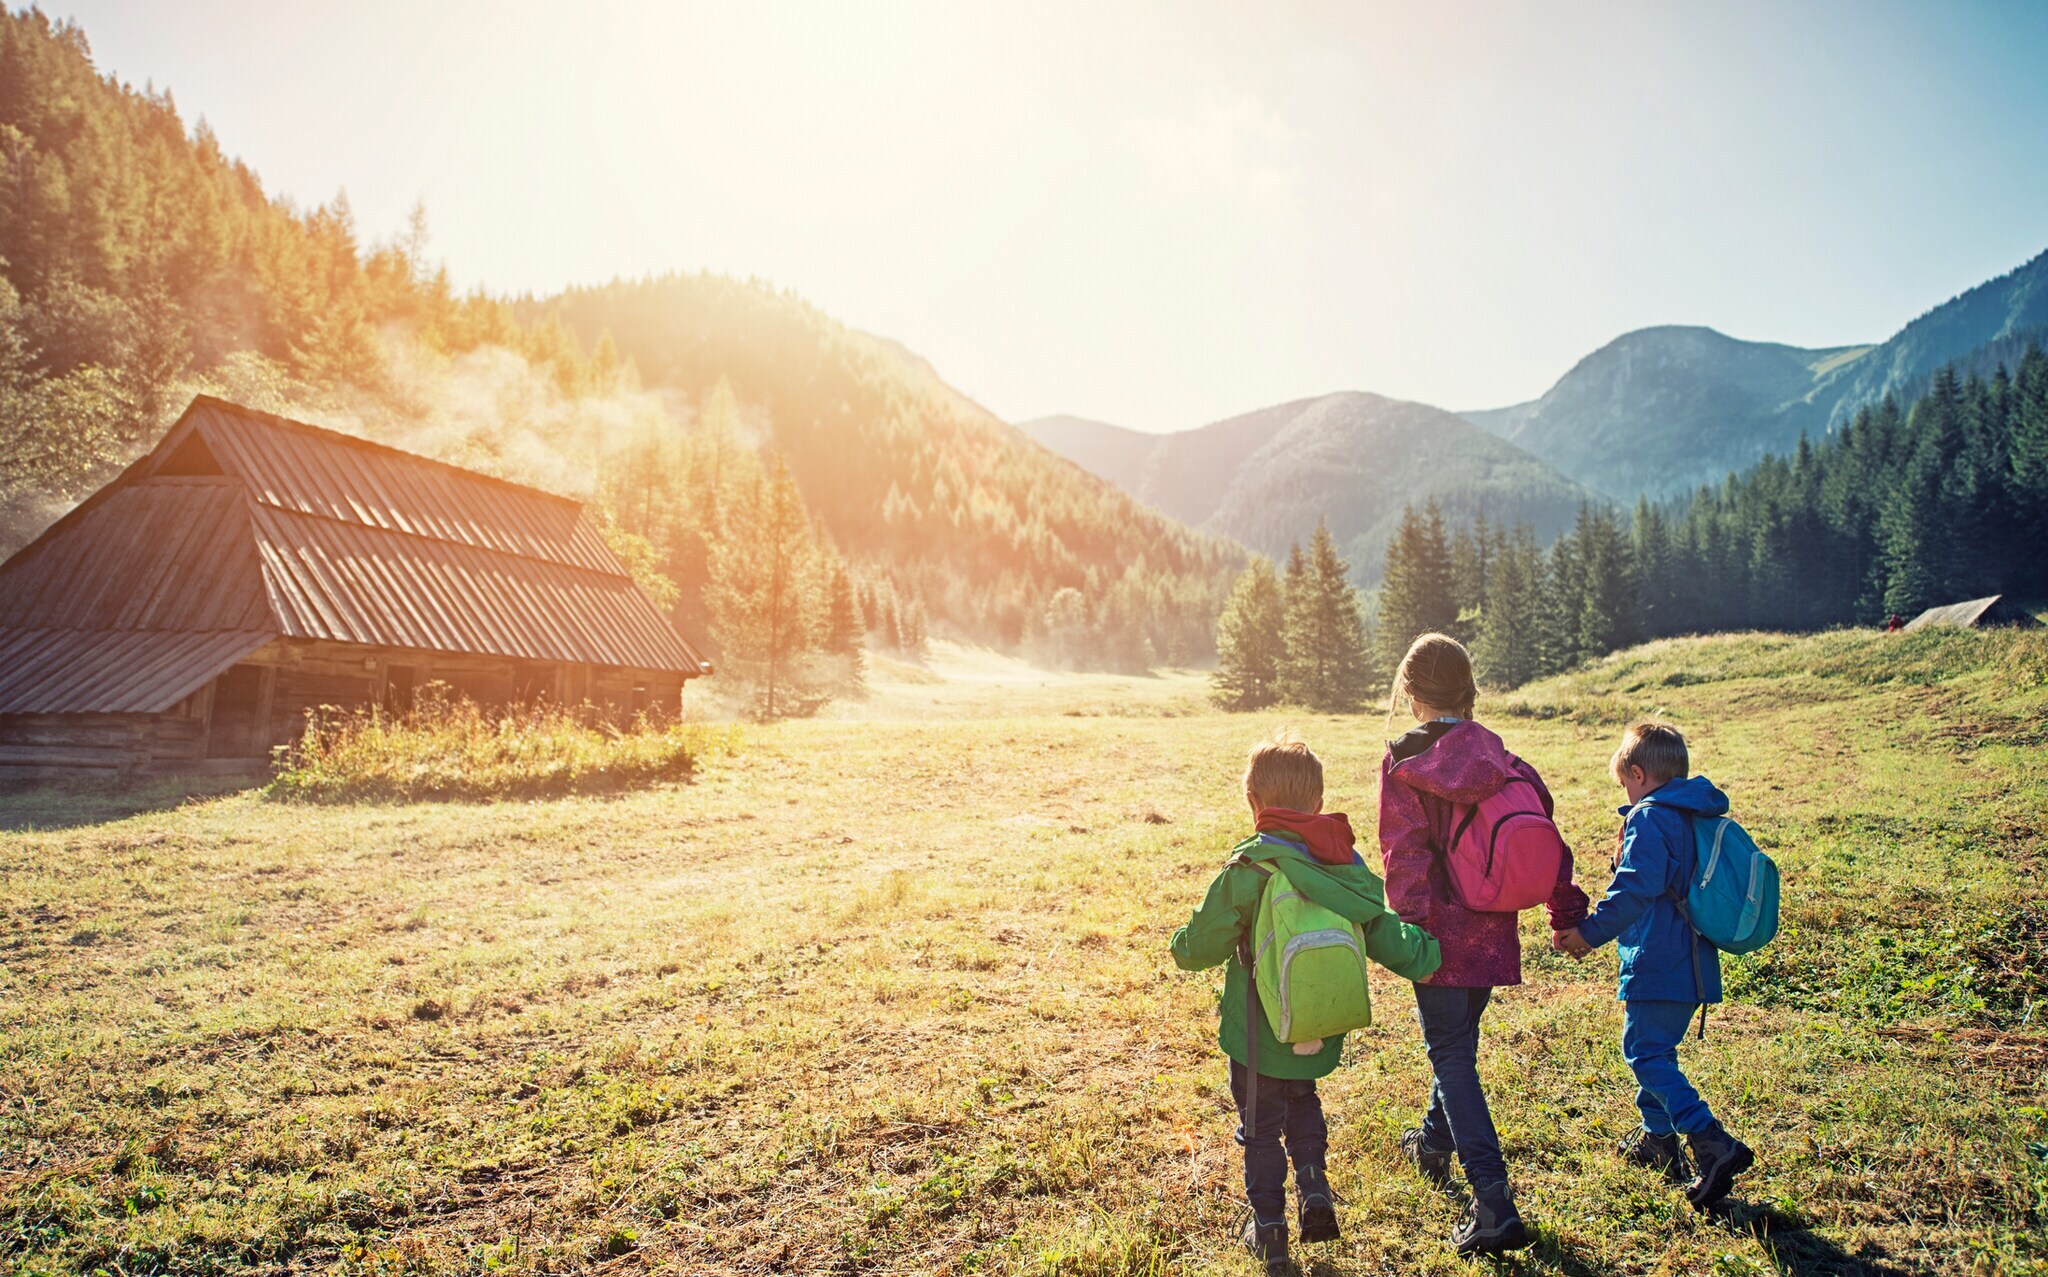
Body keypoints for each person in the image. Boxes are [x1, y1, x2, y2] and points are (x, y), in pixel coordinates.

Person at [1171, 730, 1441, 1273]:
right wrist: (1430, 955)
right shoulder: (1345, 864)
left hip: (1258, 1033)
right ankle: (1314, 1188)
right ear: (1317, 803)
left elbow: (1196, 950)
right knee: (1302, 1102)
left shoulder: (1247, 869)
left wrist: (1180, 942)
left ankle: (1269, 1231)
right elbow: (1383, 931)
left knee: (1259, 1125)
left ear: (1253, 804)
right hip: (1318, 1023)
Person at [1378, 633, 1588, 1256]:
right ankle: (1433, 1141)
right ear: (1471, 691)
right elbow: (1547, 837)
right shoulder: (1505, 758)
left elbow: (1404, 853)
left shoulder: (1402, 762)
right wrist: (1565, 911)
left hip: (1440, 935)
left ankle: (1493, 1202)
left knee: (1451, 1057)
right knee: (1458, 1046)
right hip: (1494, 931)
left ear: (1411, 695)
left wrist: (1414, 931)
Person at [1553, 722, 1756, 1208]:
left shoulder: (1651, 817)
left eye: (1625, 784)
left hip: (1659, 960)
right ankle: (1658, 1142)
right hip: (1693, 961)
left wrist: (1588, 933)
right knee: (1655, 1049)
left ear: (1639, 774)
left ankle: (1711, 1143)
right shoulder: (1691, 814)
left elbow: (1634, 890)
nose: (1626, 795)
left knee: (1645, 1053)